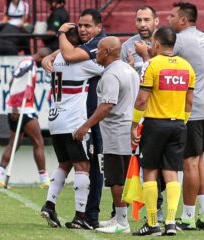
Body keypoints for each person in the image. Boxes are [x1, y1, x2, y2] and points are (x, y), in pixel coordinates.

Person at [41, 8, 106, 229]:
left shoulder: (57, 57)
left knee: (63, 163)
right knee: (83, 166)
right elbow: (107, 65)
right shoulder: (82, 60)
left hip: (55, 117)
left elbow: (63, 54)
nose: (83, 30)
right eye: (81, 28)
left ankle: (49, 204)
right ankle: (80, 215)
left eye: (88, 26)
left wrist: (49, 55)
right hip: (75, 120)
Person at [131, 26, 195, 236]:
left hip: (155, 124)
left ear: (156, 43)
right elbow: (189, 102)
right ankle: (170, 222)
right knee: (172, 173)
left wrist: (134, 124)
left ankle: (151, 223)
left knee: (150, 171)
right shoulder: (187, 67)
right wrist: (182, 122)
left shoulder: (152, 65)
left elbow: (142, 99)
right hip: (178, 124)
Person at [74, 36, 139, 234]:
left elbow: (107, 106)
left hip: (116, 131)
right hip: (128, 128)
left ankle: (122, 223)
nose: (96, 53)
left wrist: (85, 126)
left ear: (108, 52)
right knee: (122, 177)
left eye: (100, 50)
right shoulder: (129, 70)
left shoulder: (111, 75)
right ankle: (118, 218)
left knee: (116, 178)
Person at [167, 2, 204, 230]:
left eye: (171, 15)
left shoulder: (180, 40)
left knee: (189, 162)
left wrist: (143, 52)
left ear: (183, 20)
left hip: (194, 110)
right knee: (199, 161)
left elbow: (160, 57)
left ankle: (187, 217)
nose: (167, 18)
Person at [118, 5, 166, 225]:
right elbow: (119, 79)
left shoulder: (166, 44)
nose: (142, 24)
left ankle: (157, 209)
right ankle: (120, 212)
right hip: (136, 116)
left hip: (160, 115)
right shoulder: (127, 46)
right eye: (139, 20)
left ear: (156, 21)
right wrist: (128, 70)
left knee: (161, 168)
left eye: (147, 19)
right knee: (133, 164)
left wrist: (146, 57)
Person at [0, 50, 51, 189]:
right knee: (38, 142)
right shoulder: (27, 63)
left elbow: (13, 81)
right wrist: (16, 107)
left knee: (14, 144)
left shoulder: (29, 64)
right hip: (23, 109)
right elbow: (15, 80)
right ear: (42, 57)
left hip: (17, 108)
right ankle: (45, 180)